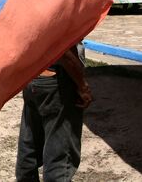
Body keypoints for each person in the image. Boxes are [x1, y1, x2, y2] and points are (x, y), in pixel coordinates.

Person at [15, 42, 93, 182]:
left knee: (30, 145)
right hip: (56, 80)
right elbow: (63, 49)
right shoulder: (56, 18)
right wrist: (82, 85)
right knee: (59, 159)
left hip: (33, 74)